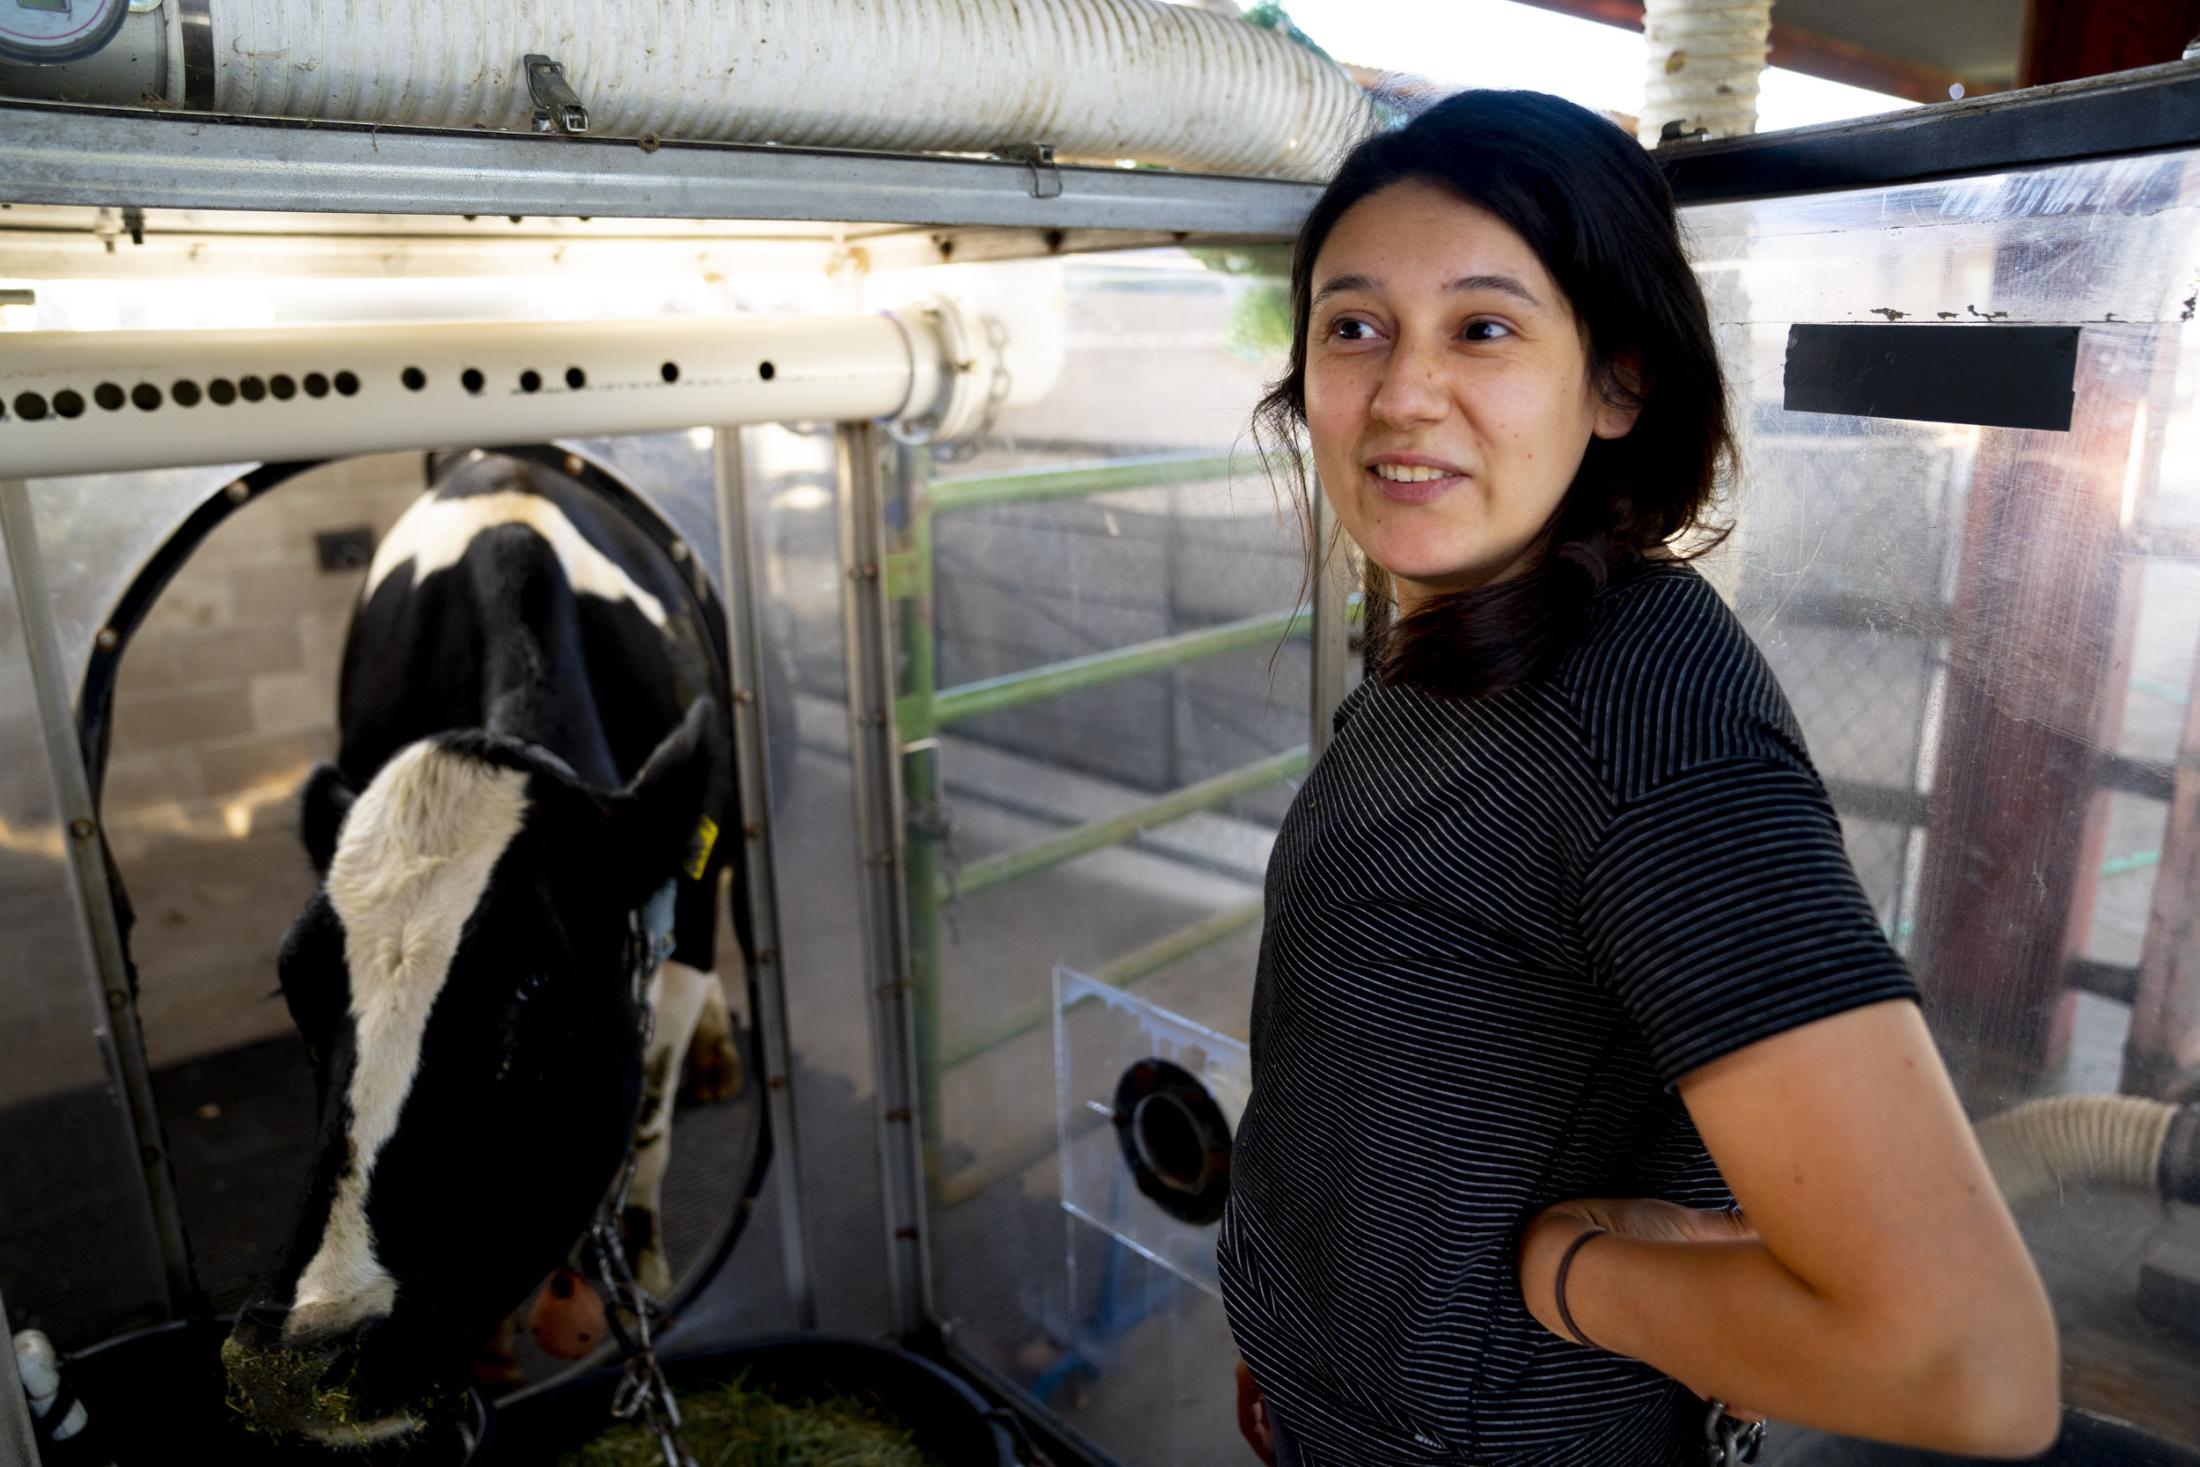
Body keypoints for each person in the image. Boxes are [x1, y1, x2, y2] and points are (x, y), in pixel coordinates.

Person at [1219, 89, 2061, 1466]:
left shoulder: (1644, 735)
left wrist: (1576, 1276)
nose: (1400, 392)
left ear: (1618, 382)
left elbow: (1964, 1361)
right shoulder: (1461, 635)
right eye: (1353, 327)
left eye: (1483, 328)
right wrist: (1291, 1333)